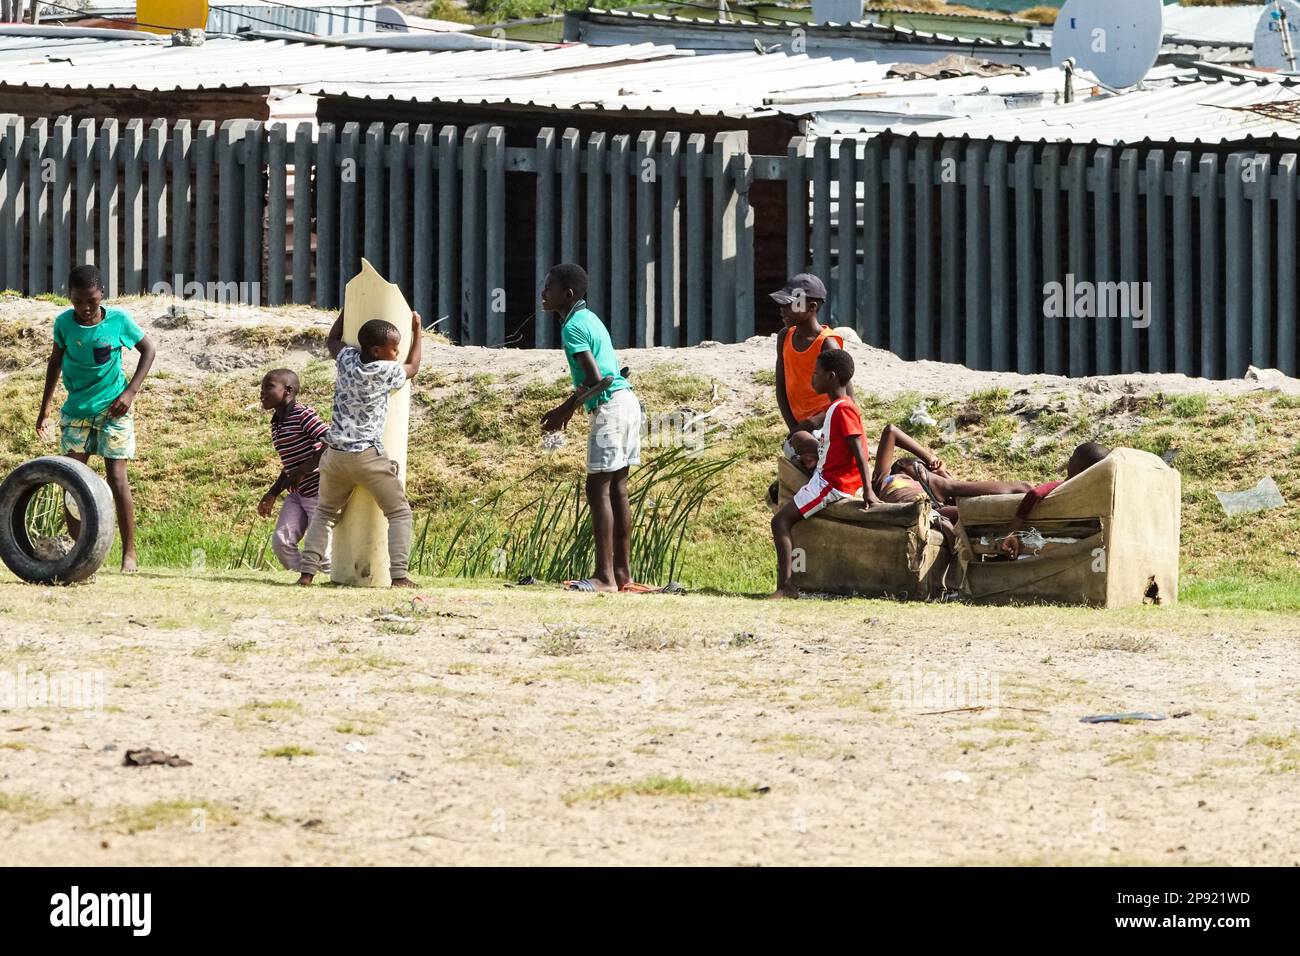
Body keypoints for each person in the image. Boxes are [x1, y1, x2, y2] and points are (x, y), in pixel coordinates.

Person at [35, 264, 156, 573]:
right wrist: (45, 407)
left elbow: (148, 350)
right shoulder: (64, 324)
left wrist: (129, 393)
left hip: (113, 408)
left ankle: (129, 553)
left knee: (117, 478)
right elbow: (55, 362)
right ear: (70, 297)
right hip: (76, 410)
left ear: (102, 294)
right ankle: (81, 551)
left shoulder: (118, 321)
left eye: (91, 300)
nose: (85, 308)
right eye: (78, 301)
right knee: (72, 480)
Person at [297, 310, 423, 588]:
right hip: (366, 457)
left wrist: (348, 308)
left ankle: (307, 573)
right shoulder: (386, 370)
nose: (398, 352)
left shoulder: (348, 360)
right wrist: (418, 332)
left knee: (324, 513)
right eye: (394, 347)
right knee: (399, 512)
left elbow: (332, 340)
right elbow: (412, 367)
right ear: (378, 351)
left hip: (333, 456)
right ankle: (399, 575)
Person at [539, 263, 642, 593]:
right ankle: (622, 576)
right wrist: (572, 405)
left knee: (597, 489)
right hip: (627, 402)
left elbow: (599, 379)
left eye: (549, 288)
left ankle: (603, 577)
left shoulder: (572, 328)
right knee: (617, 489)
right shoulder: (589, 318)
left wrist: (563, 410)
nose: (543, 293)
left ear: (567, 295)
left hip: (610, 406)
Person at [770, 349, 877, 598]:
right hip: (828, 478)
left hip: (832, 483)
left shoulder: (842, 409)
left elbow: (859, 448)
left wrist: (868, 488)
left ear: (830, 377)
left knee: (780, 521)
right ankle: (787, 584)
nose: (812, 377)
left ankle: (786, 587)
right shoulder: (837, 407)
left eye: (816, 373)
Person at [257, 368, 330, 574]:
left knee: (322, 551)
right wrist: (272, 493)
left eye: (268, 387)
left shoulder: (302, 415)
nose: (262, 393)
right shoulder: (277, 424)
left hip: (317, 492)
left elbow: (330, 441)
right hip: (297, 494)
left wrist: (304, 469)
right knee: (282, 542)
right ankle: (302, 578)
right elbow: (290, 465)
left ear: (288, 390)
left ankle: (331, 581)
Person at [772, 273, 851, 457]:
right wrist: (795, 430)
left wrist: (812, 423)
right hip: (801, 430)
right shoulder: (785, 337)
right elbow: (781, 387)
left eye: (791, 304)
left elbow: (849, 400)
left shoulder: (827, 344)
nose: (783, 309)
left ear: (811, 307)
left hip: (827, 426)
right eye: (783, 303)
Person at [997, 442, 1111, 559]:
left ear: (1077, 468)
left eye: (1072, 459)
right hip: (1084, 543)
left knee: (1023, 487)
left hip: (1043, 536)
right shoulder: (1099, 497)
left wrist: (1012, 532)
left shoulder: (1060, 489)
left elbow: (1034, 494)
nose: (1069, 461)